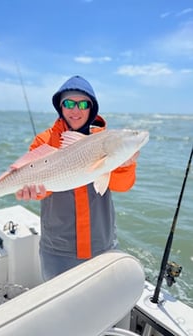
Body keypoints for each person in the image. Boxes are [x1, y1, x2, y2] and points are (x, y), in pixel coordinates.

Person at [16, 75, 138, 281]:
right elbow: (38, 191)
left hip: (102, 244)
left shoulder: (108, 140)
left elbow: (121, 186)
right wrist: (31, 190)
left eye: (83, 104)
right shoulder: (44, 141)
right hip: (57, 248)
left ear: (92, 108)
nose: (75, 110)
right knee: (60, 309)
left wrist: (127, 164)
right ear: (60, 107)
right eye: (69, 103)